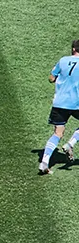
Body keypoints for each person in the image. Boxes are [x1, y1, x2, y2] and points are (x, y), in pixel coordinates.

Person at [37, 40, 79, 175]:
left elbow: (51, 78)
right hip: (77, 103)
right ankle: (71, 143)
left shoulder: (63, 60)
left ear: (73, 49)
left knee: (58, 133)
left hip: (59, 103)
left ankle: (44, 161)